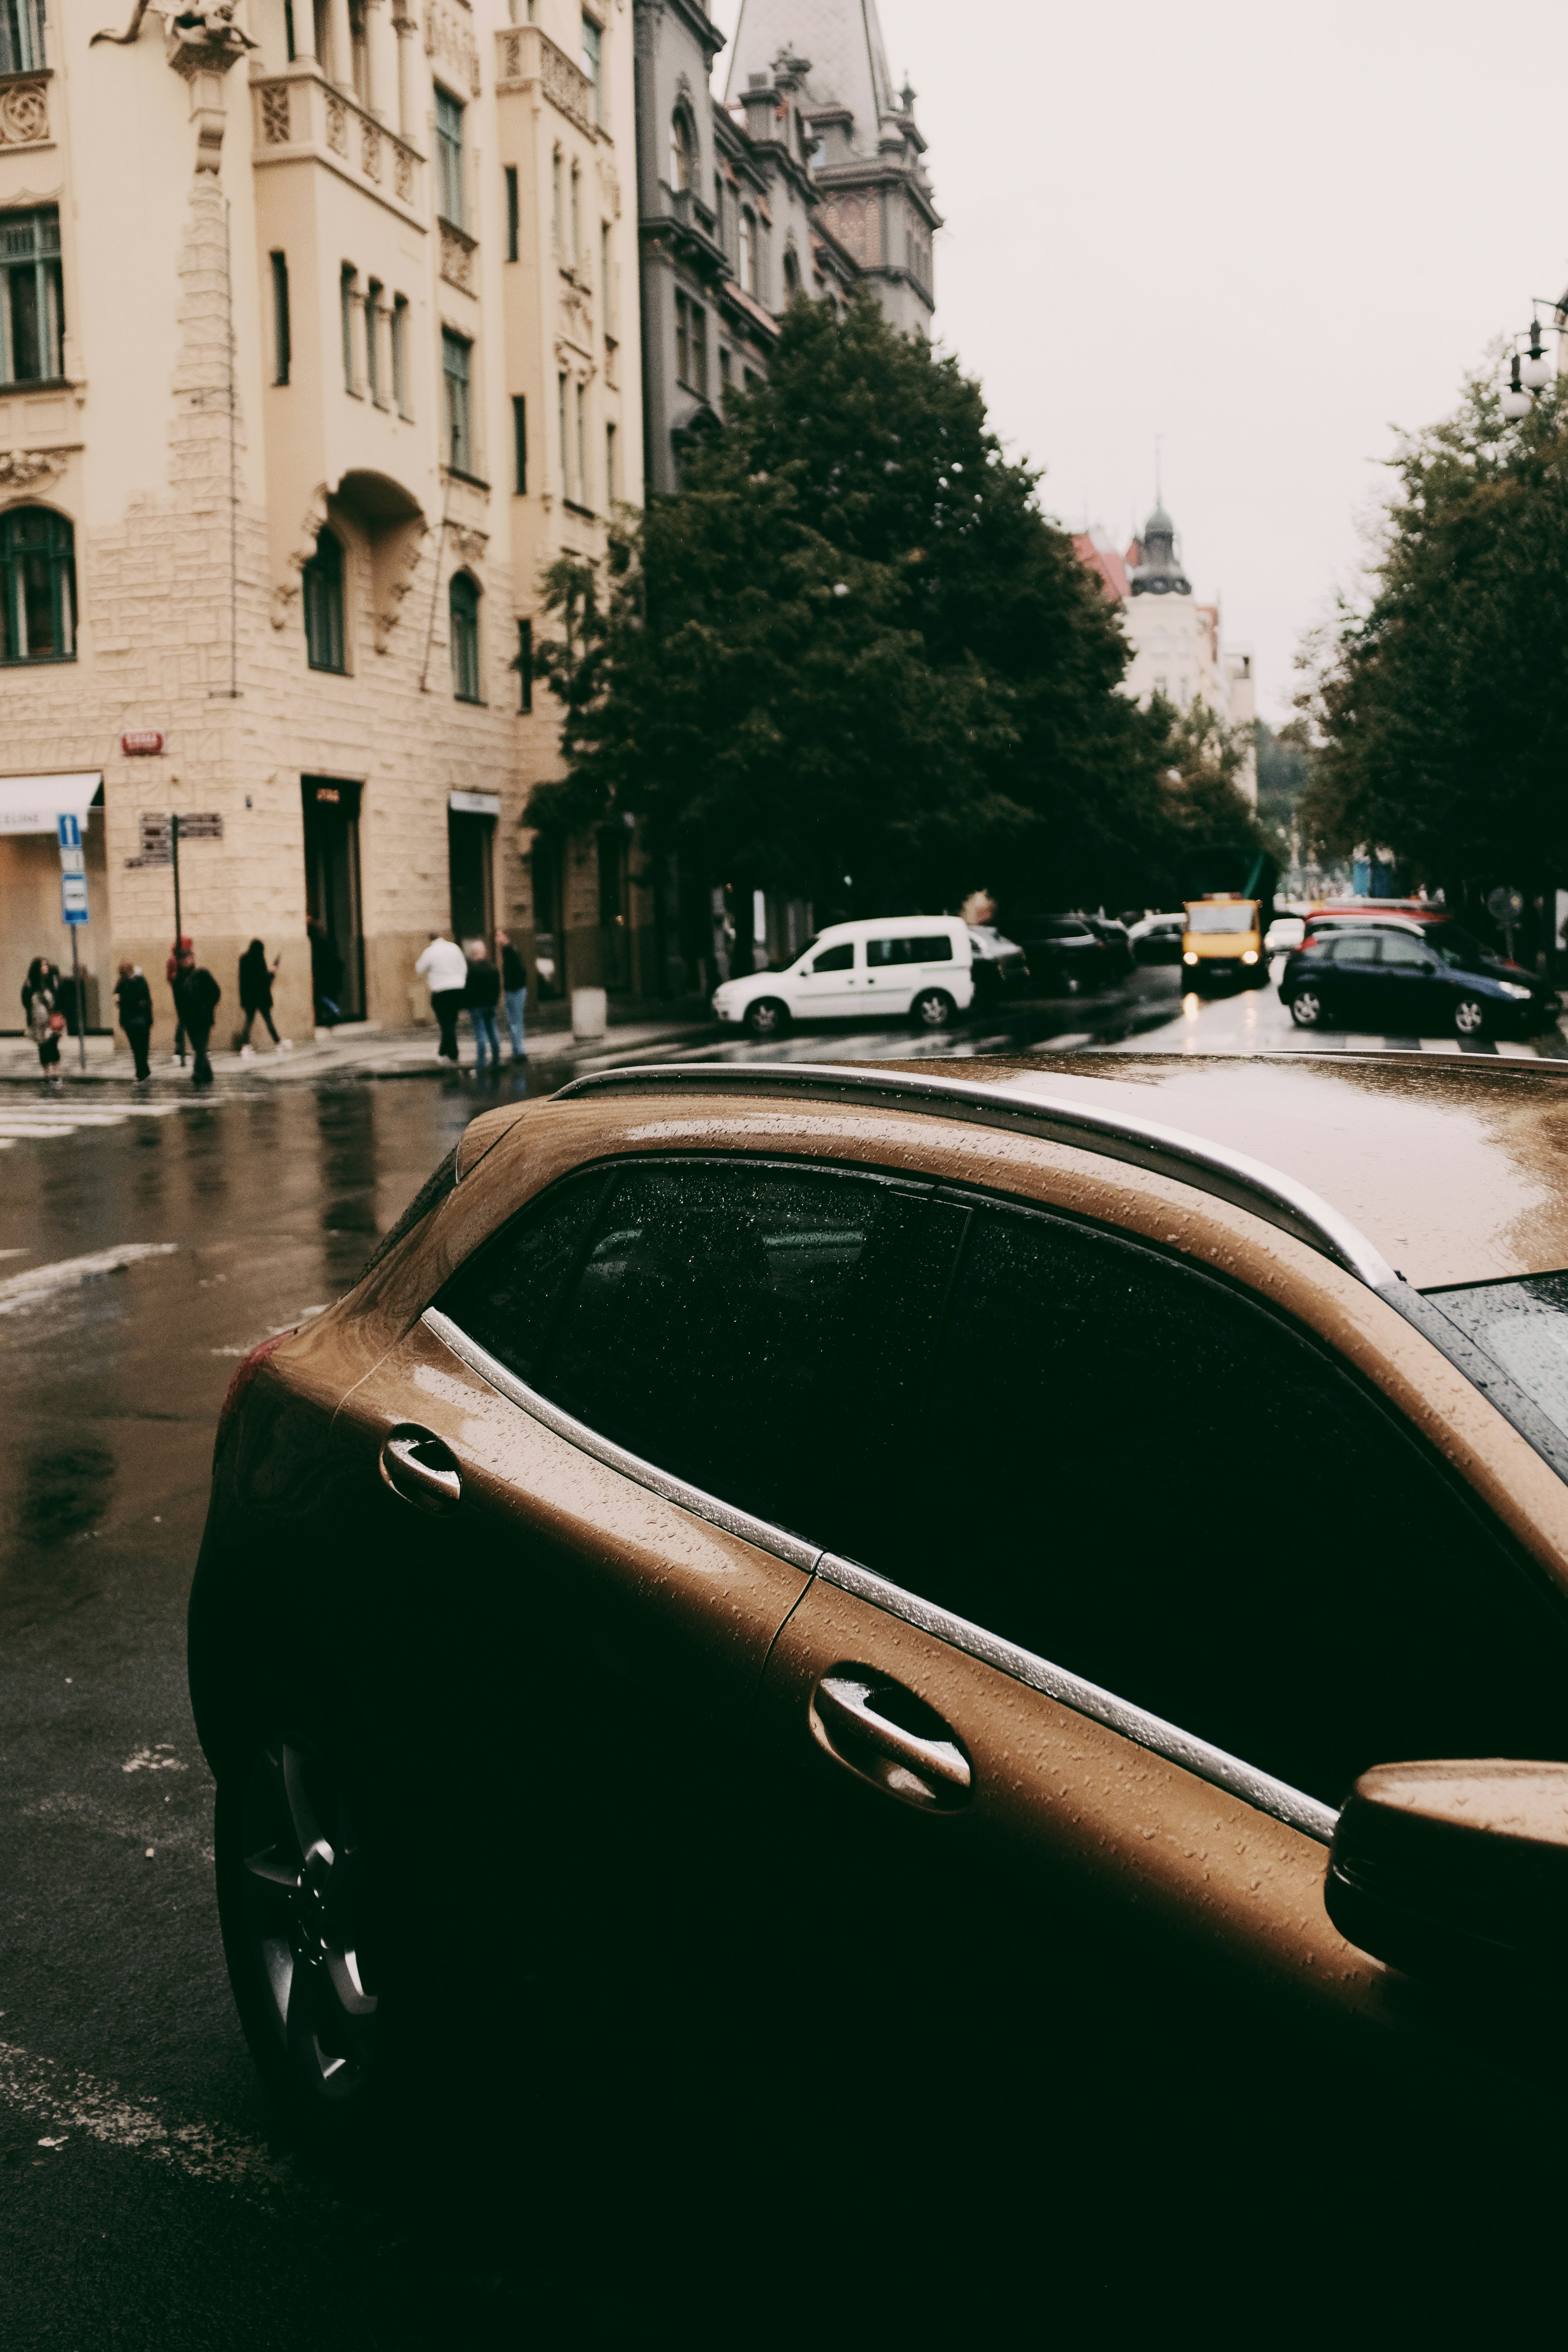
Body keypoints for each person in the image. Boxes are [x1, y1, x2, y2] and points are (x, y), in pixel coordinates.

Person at [172, 942, 221, 1086]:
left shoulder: (202, 974)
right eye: (183, 960)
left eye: (189, 958)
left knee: (201, 1046)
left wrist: (207, 1006)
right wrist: (182, 1017)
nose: (186, 962)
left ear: (193, 959)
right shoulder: (178, 980)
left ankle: (197, 1073)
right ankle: (208, 1073)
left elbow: (216, 992)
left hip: (204, 1018)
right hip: (189, 1019)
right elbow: (178, 1001)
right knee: (198, 1047)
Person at [416, 931, 469, 1063]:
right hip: (458, 989)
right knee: (451, 1022)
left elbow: (420, 969)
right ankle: (444, 1050)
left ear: (430, 940)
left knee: (446, 1023)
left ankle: (453, 1053)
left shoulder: (430, 951)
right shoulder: (454, 948)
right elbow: (464, 968)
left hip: (441, 991)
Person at [237, 938, 285, 1054]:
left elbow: (248, 980)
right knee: (268, 1020)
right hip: (260, 997)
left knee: (249, 1021)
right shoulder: (258, 959)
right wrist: (272, 973)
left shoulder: (244, 960)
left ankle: (245, 1045)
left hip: (249, 997)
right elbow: (263, 980)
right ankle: (278, 1042)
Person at [22, 957, 64, 1077]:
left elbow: (61, 997)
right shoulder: (30, 983)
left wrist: (58, 1011)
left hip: (52, 1020)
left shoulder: (53, 980)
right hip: (38, 1022)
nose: (46, 967)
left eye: (46, 965)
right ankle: (47, 1071)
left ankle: (56, 1069)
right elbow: (26, 1001)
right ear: (37, 968)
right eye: (43, 966)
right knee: (42, 1047)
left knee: (53, 1044)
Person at [465, 940, 502, 1076]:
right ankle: (496, 1060)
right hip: (490, 1005)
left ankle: (481, 1064)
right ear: (484, 952)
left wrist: (469, 1004)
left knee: (481, 1035)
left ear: (473, 953)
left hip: (477, 1006)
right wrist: (494, 1001)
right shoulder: (492, 968)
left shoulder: (472, 970)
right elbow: (497, 988)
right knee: (493, 1032)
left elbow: (468, 990)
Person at [114, 960, 154, 1080]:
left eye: (125, 973)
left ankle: (142, 1071)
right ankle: (142, 1071)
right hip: (129, 1021)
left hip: (142, 1021)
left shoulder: (140, 981)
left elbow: (139, 998)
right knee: (137, 1047)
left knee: (142, 1047)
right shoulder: (122, 982)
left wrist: (124, 999)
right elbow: (117, 997)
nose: (124, 975)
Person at [496, 929, 528, 1063]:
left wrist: (512, 987)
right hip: (516, 990)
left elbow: (521, 971)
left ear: (506, 937)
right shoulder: (509, 951)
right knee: (515, 1021)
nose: (496, 940)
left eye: (499, 936)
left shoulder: (510, 951)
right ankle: (517, 1049)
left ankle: (519, 1051)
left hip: (515, 991)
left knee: (515, 1021)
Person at [307, 917, 344, 1028]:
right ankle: (332, 1013)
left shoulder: (317, 943)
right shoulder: (326, 940)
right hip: (331, 973)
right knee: (325, 995)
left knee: (318, 996)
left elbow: (319, 960)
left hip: (325, 975)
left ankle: (334, 1010)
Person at [165, 936, 191, 1063]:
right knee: (183, 1019)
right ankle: (178, 1047)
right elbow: (171, 977)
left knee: (184, 1019)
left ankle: (180, 1047)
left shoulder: (174, 960)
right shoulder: (174, 961)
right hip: (180, 993)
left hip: (182, 992)